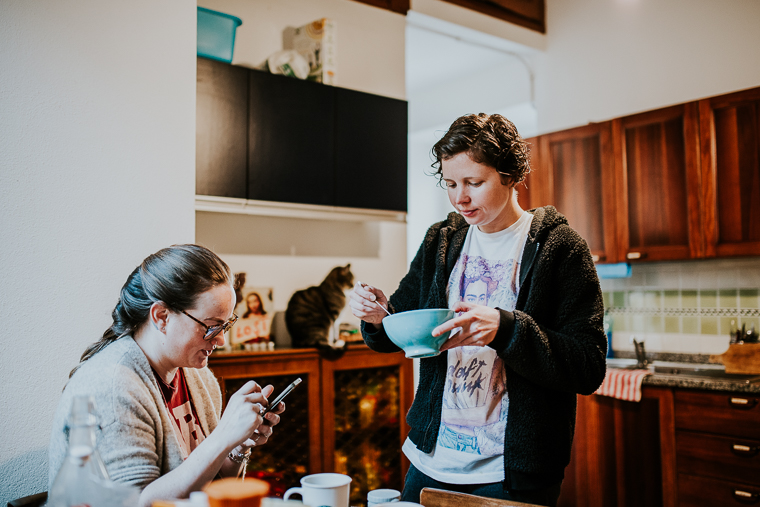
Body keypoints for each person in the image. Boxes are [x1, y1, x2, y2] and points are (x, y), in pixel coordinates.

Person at [349, 113, 607, 507]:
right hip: (431, 460)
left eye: (474, 182)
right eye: (450, 184)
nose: (460, 198)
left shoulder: (560, 247)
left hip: (511, 472)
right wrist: (377, 317)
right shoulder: (442, 240)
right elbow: (399, 327)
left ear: (510, 174)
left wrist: (507, 329)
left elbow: (588, 367)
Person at [48, 244, 285, 507]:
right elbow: (138, 504)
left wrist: (239, 444)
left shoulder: (199, 377)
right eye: (211, 326)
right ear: (162, 316)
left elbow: (211, 484)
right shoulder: (113, 387)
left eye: (226, 324)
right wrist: (223, 436)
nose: (221, 339)